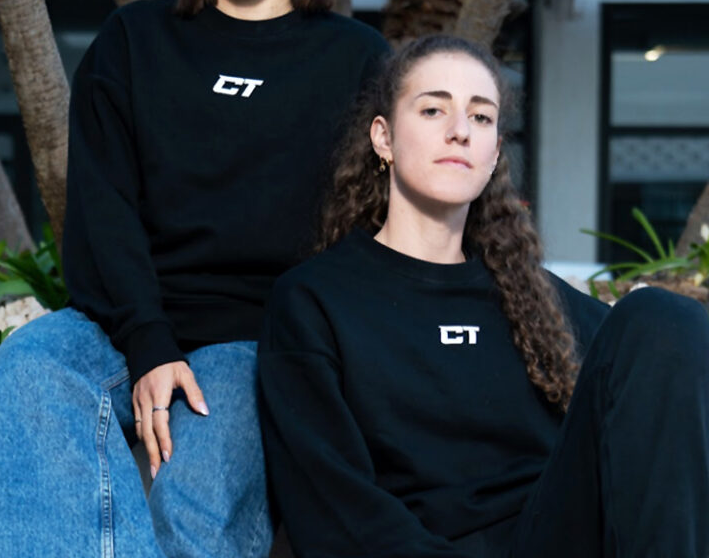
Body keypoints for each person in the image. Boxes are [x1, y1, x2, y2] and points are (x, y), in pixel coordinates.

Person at [0, 0, 388, 558]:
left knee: (201, 464)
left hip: (261, 340)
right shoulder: (134, 42)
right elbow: (103, 213)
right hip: (121, 325)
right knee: (29, 366)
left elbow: (376, 231)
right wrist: (149, 343)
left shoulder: (360, 61)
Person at [258, 34, 709, 558]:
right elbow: (334, 507)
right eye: (433, 110)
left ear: (495, 153)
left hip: (558, 537)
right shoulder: (315, 301)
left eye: (481, 117)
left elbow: (660, 398)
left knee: (663, 317)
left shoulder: (535, 299)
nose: (460, 132)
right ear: (383, 137)